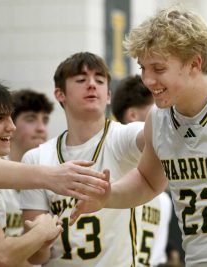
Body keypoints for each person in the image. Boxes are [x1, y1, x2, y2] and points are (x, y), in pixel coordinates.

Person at [70, 5, 207, 267]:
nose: (148, 79)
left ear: (194, 63)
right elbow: (147, 181)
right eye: (143, 68)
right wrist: (107, 196)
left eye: (158, 68)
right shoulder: (158, 120)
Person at [20, 52, 145, 266]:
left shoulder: (123, 137)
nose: (91, 85)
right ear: (60, 94)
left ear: (108, 96)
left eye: (99, 80)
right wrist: (41, 242)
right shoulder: (36, 158)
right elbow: (35, 257)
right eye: (81, 79)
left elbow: (152, 134)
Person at [0, 79, 63, 267]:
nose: (11, 127)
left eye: (10, 117)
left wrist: (38, 243)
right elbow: (0, 258)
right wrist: (40, 232)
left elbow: (22, 258)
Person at [112, 74, 173, 267]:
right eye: (157, 110)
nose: (165, 116)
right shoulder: (110, 179)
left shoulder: (163, 198)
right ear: (133, 116)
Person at [3, 89, 54, 238]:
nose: (41, 128)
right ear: (9, 125)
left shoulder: (51, 171)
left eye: (45, 120)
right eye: (31, 119)